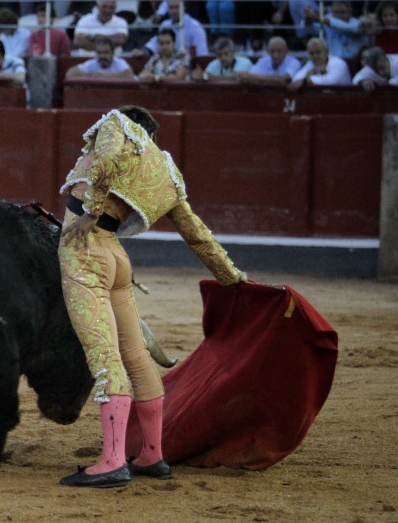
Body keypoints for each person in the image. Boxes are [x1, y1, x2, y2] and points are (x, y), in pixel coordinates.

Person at [57, 105, 246, 488]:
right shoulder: (168, 173)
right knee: (136, 357)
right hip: (117, 258)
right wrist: (234, 278)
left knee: (105, 355)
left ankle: (111, 460)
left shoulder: (116, 126)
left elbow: (106, 158)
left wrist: (90, 212)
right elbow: (198, 236)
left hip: (84, 253)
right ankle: (152, 454)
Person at [302, 0, 369, 62]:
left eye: (343, 12)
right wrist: (308, 20)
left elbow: (345, 28)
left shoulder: (357, 24)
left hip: (355, 62)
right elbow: (312, 29)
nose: (339, 16)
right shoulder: (328, 24)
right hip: (334, 62)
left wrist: (319, 17)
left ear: (350, 12)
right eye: (336, 12)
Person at [141, 0, 208, 57]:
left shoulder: (195, 27)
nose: (173, 11)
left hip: (189, 66)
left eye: (176, 7)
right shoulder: (165, 25)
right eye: (171, 8)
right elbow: (153, 44)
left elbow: (201, 54)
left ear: (184, 8)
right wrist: (143, 52)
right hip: (167, 65)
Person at [288, 37, 352, 90]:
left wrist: (306, 80)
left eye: (318, 52)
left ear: (327, 51)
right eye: (311, 53)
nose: (315, 56)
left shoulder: (339, 63)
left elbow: (329, 82)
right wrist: (312, 72)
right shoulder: (310, 63)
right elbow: (295, 80)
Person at [65, 35, 135, 79]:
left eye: (106, 52)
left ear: (112, 53)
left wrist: (96, 76)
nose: (102, 56)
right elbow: (70, 74)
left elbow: (129, 75)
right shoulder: (92, 63)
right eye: (99, 53)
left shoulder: (119, 63)